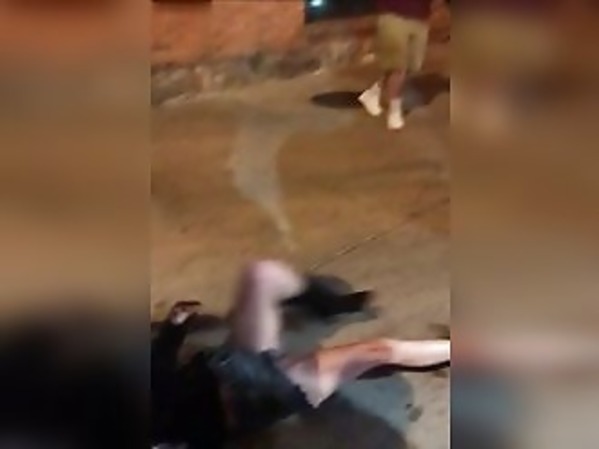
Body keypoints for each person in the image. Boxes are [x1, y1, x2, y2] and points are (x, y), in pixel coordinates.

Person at [151, 260, 450, 449]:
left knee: (262, 275)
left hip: (226, 367)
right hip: (252, 400)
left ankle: (325, 303)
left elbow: (156, 372)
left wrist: (172, 330)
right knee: (381, 350)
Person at [359, 0, 435, 130]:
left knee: (411, 66)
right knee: (398, 67)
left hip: (421, 18)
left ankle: (373, 93)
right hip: (394, 15)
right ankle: (394, 110)